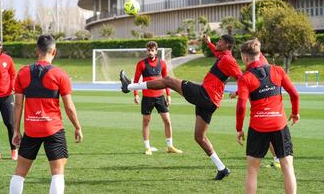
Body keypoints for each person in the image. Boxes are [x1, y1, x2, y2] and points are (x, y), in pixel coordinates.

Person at [120, 34, 242, 180]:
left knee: (168, 80)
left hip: (205, 95)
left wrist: (238, 91)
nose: (218, 42)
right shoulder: (223, 56)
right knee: (199, 137)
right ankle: (222, 168)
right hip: (210, 102)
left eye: (220, 41)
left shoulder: (228, 59)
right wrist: (209, 43)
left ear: (228, 45)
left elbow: (242, 78)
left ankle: (129, 86)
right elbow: (217, 52)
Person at [9, 35, 83, 194]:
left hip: (31, 130)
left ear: (37, 50)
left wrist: (16, 131)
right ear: (54, 51)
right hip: (53, 129)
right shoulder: (60, 74)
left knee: (20, 171)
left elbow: (18, 104)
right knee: (57, 172)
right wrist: (77, 127)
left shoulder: (22, 73)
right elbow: (69, 106)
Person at [236, 40, 300, 194]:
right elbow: (294, 94)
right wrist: (295, 112)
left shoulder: (245, 78)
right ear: (259, 55)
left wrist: (239, 128)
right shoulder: (277, 70)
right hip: (279, 124)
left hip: (258, 127)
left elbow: (241, 106)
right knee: (287, 167)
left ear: (245, 57)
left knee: (252, 171)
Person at [229, 38, 281, 168]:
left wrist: (239, 128)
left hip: (262, 106)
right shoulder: (259, 58)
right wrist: (238, 92)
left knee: (265, 134)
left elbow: (255, 84)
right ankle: (278, 159)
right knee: (270, 135)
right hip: (269, 103)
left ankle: (277, 159)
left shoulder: (258, 61)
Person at [132, 41, 182, 155]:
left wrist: (168, 95)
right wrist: (136, 94)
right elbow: (135, 81)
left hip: (160, 97)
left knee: (167, 121)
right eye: (148, 50)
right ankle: (147, 147)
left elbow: (167, 81)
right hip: (147, 98)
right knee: (146, 122)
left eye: (152, 50)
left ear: (156, 51)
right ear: (146, 51)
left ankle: (170, 146)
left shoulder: (162, 63)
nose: (150, 52)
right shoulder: (141, 64)